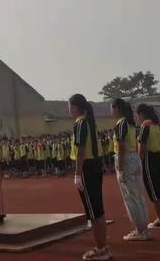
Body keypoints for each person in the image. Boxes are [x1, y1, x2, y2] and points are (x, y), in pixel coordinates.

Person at [69, 94, 111, 261]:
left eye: (70, 105)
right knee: (97, 210)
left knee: (94, 212)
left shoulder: (80, 123)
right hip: (95, 166)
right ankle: (103, 247)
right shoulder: (90, 122)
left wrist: (77, 174)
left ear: (74, 107)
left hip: (87, 168)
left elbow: (80, 151)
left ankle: (101, 249)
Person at [110, 98, 150, 241]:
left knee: (130, 197)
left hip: (126, 159)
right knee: (138, 196)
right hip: (134, 158)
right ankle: (144, 228)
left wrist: (120, 169)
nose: (111, 111)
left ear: (117, 109)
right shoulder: (131, 123)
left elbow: (120, 147)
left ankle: (139, 230)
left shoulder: (121, 124)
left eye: (112, 108)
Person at [137, 104, 160, 230]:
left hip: (149, 159)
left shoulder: (145, 125)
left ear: (141, 114)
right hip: (157, 157)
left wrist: (139, 161)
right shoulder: (156, 125)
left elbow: (142, 146)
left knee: (154, 191)